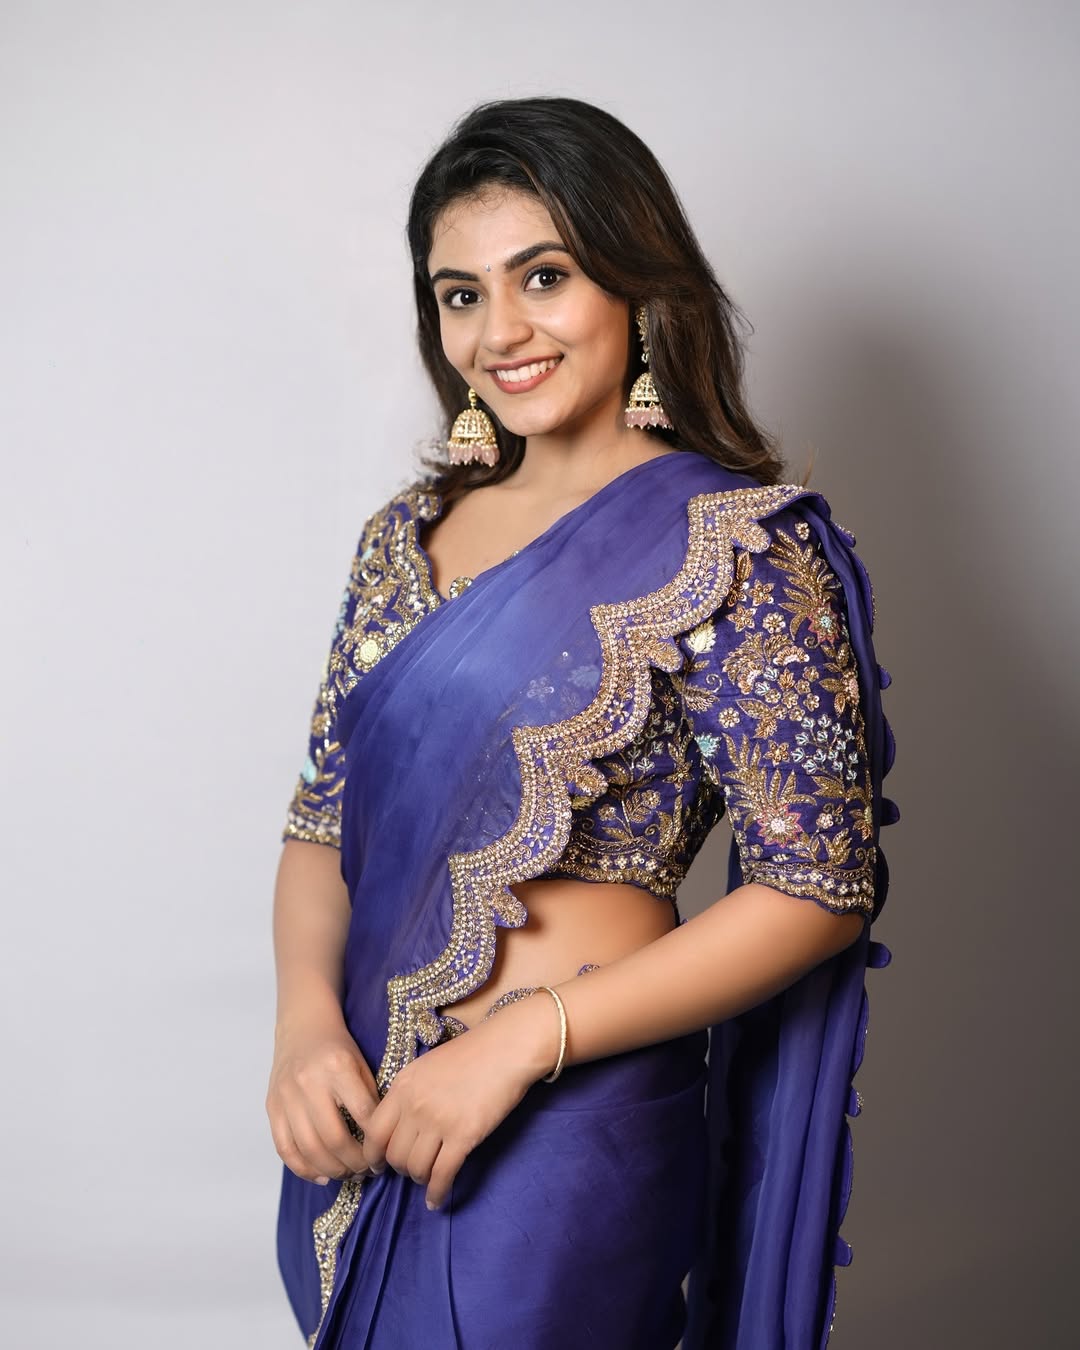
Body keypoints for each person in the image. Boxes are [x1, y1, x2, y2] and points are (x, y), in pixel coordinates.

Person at [266, 96, 896, 1350]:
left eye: (542, 277)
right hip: (368, 1115)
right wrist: (300, 1024)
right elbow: (320, 825)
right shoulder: (403, 540)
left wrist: (518, 1045)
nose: (499, 331)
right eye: (460, 294)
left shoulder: (738, 548)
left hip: (567, 1119)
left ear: (636, 282)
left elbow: (820, 886)